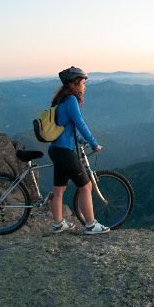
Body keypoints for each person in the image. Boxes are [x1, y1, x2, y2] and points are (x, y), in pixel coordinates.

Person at [48, 66, 111, 234]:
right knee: (86, 186)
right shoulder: (71, 100)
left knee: (59, 190)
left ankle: (58, 224)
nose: (85, 86)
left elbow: (66, 128)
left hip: (56, 149)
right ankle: (90, 225)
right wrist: (93, 143)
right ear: (75, 83)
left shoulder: (61, 100)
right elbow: (79, 123)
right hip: (65, 152)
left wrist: (81, 140)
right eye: (83, 82)